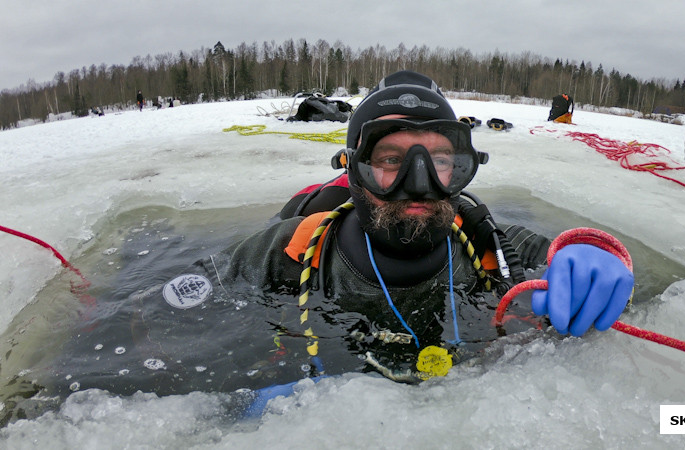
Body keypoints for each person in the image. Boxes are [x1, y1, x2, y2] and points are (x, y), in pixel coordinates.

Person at [4, 71, 633, 422]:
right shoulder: (291, 250)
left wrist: (598, 251)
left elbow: (567, 250)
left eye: (440, 163)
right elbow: (159, 310)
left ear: (464, 169)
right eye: (391, 161)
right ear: (353, 171)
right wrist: (223, 405)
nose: (420, 185)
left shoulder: (484, 240)